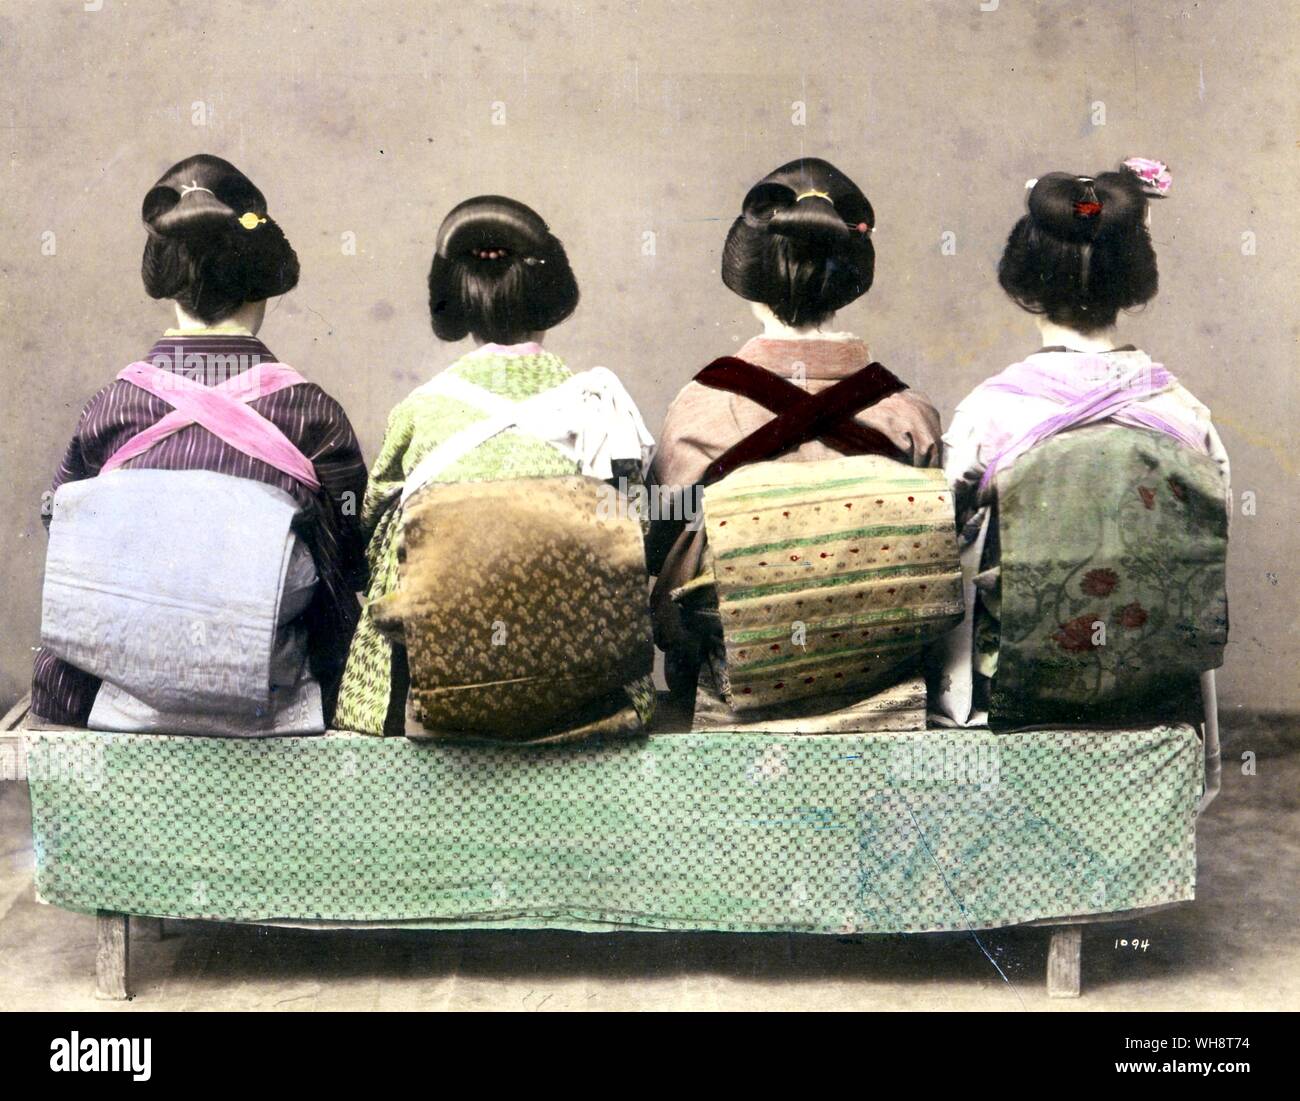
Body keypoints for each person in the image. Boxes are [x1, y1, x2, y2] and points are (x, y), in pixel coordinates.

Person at [31, 154, 367, 729]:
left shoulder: (111, 408)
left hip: (116, 695)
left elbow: (65, 534)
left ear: (167, 284)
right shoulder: (313, 414)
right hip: (277, 699)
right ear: (263, 281)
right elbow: (350, 563)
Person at [334, 195, 654, 737]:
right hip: (583, 682)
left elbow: (371, 528)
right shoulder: (598, 407)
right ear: (551, 299)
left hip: (434, 677)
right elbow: (638, 536)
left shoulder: (419, 409)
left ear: (457, 304)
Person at [647, 158, 948, 725]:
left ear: (748, 282)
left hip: (734, 724)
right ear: (849, 282)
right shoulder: (909, 417)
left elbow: (670, 605)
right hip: (890, 725)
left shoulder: (698, 412)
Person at [935, 159, 1230, 726]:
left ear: (1022, 280)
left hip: (1015, 696)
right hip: (1153, 696)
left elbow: (941, 545)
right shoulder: (1187, 416)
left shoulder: (990, 413)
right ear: (1134, 281)